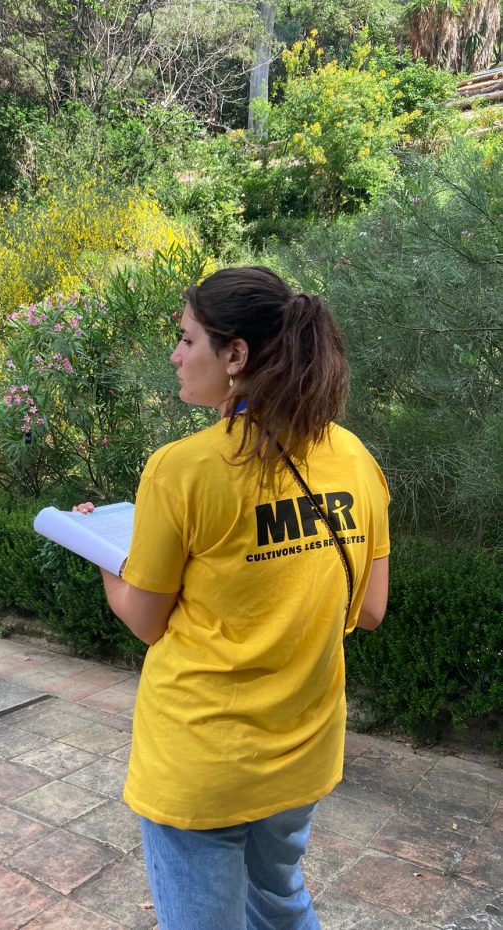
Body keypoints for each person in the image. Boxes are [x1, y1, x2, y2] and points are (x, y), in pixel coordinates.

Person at [73, 266, 389, 930]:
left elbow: (146, 620)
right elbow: (368, 609)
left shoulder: (182, 469)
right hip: (303, 753)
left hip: (203, 762)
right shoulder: (353, 457)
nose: (175, 354)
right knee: (279, 901)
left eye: (187, 339)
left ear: (235, 355)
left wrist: (104, 557)